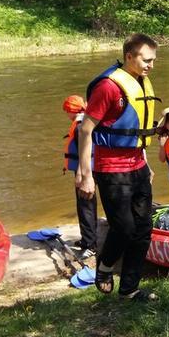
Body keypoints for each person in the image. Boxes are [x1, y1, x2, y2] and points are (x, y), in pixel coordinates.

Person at [76, 33, 160, 302]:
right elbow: (85, 130)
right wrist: (85, 174)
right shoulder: (109, 87)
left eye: (153, 61)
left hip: (138, 165)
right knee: (123, 227)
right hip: (111, 168)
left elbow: (138, 129)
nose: (150, 65)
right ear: (129, 57)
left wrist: (146, 163)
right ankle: (105, 266)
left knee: (143, 229)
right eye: (146, 60)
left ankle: (129, 289)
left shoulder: (141, 82)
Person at [63, 94, 98, 259]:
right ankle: (87, 239)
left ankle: (90, 244)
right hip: (88, 171)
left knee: (86, 208)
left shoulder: (80, 127)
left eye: (67, 111)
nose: (66, 115)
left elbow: (86, 152)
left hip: (85, 173)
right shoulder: (85, 123)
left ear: (72, 110)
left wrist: (80, 175)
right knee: (86, 206)